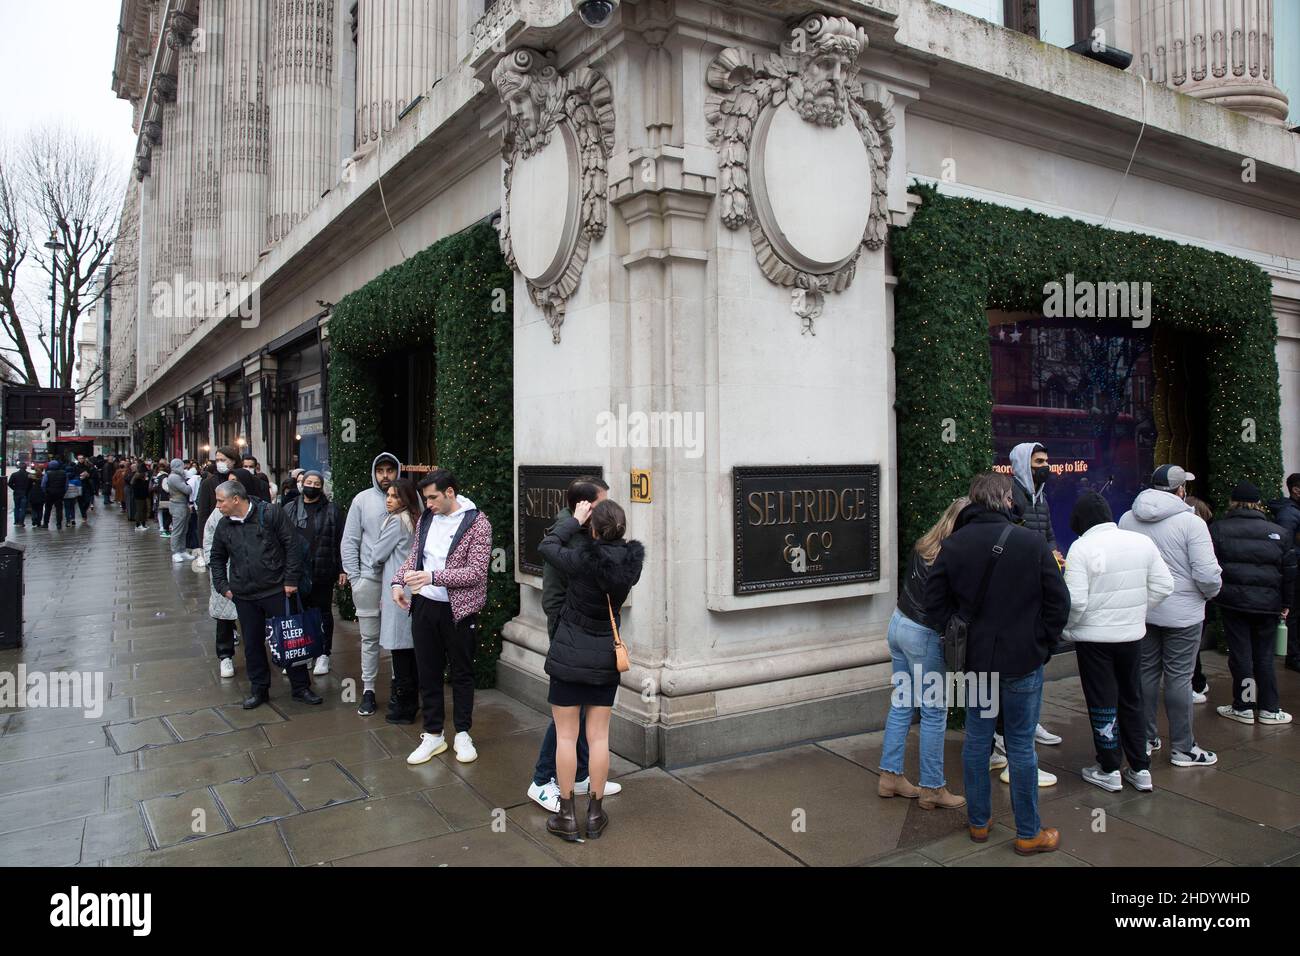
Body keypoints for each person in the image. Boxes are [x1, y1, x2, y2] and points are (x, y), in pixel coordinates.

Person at [925, 472, 1070, 856]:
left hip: (976, 663)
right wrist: (1043, 642)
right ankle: (1028, 832)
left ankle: (978, 822)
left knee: (976, 740)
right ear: (1007, 501)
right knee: (1021, 745)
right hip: (1023, 659)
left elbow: (934, 605)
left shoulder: (953, 545)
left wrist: (955, 632)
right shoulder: (1031, 543)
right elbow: (1060, 603)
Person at [537, 498, 644, 841]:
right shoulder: (630, 564)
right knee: (599, 737)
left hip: (569, 654)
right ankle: (595, 815)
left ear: (594, 529)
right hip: (604, 658)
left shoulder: (581, 559)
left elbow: (547, 545)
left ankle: (567, 816)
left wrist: (574, 519)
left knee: (566, 736)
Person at [1062, 492, 1174, 793]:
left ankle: (1109, 767)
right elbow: (1165, 585)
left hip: (1093, 639)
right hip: (1131, 636)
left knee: (1102, 702)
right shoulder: (1141, 542)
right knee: (1131, 698)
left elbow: (1076, 603)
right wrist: (1136, 611)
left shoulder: (1081, 548)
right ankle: (1140, 767)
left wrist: (1068, 630)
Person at [528, 477, 626, 812]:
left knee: (582, 713)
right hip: (566, 629)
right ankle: (542, 781)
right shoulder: (568, 533)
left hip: (591, 635)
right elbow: (556, 576)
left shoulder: (589, 535)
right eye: (601, 505)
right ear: (581, 506)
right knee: (566, 720)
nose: (606, 513)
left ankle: (581, 775)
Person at [1118, 464, 1222, 767]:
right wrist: (1209, 593)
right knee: (1179, 678)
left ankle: (1147, 738)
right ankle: (1183, 747)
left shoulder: (1127, 518)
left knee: (1146, 673)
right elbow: (1206, 574)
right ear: (1180, 491)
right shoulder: (1191, 524)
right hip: (1183, 613)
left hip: (1144, 608)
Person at [392, 469, 493, 766]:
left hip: (458, 610)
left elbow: (476, 572)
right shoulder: (427, 518)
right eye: (426, 498)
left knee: (461, 672)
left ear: (450, 492)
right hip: (424, 605)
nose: (428, 503)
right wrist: (399, 582)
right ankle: (433, 734)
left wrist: (433, 577)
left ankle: (462, 733)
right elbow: (414, 557)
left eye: (433, 497)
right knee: (428, 671)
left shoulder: (478, 523)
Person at [877, 496, 969, 810]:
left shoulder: (925, 545)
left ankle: (890, 776)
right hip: (924, 635)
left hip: (898, 624)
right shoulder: (953, 556)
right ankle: (932, 787)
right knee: (934, 712)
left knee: (903, 701)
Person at [208, 478, 321, 708]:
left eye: (221, 501)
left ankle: (301, 687)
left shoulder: (270, 513)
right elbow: (217, 558)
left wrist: (290, 580)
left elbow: (292, 546)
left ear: (236, 499)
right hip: (244, 595)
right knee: (252, 644)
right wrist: (224, 587)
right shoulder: (223, 524)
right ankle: (259, 689)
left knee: (290, 639)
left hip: (277, 590)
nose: (218, 506)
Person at [1210, 481, 1296, 726]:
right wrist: (1286, 603)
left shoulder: (1218, 529)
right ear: (1258, 503)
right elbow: (1289, 573)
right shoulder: (1280, 532)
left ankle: (1245, 706)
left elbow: (1211, 567)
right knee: (1264, 656)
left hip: (1233, 603)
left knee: (1242, 656)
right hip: (1268, 605)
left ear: (1232, 502)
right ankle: (1269, 708)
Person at [342, 453, 403, 720]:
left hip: (398, 582)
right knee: (369, 638)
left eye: (390, 470)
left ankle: (397, 687)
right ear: (374, 473)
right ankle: (368, 690)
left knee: (396, 637)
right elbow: (350, 540)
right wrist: (355, 578)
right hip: (368, 579)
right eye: (380, 470)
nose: (385, 475)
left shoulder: (407, 500)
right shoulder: (362, 500)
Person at [283, 470, 344, 676]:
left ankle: (323, 653)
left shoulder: (332, 511)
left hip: (323, 569)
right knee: (300, 613)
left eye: (316, 483)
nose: (311, 485)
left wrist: (342, 568)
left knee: (323, 613)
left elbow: (341, 541)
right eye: (308, 481)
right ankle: (304, 652)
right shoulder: (289, 508)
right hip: (297, 571)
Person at [374, 478, 420, 721]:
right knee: (410, 649)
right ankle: (410, 700)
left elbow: (377, 554)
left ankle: (403, 706)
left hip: (398, 589)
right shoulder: (416, 519)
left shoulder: (396, 521)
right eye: (388, 495)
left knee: (400, 650)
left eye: (395, 496)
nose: (389, 500)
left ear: (406, 499)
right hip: (413, 588)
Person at [203, 500, 240, 678]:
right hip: (225, 571)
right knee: (224, 617)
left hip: (252, 573)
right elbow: (209, 541)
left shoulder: (256, 511)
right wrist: (214, 566)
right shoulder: (218, 514)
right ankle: (225, 656)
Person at [1267, 474, 1300, 673]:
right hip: (1295, 570)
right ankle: (1294, 656)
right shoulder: (1289, 513)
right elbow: (1285, 544)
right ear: (1295, 489)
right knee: (1295, 613)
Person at [1185, 495, 1215, 703]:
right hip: (1193, 601)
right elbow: (1208, 575)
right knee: (1189, 650)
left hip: (1180, 601)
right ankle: (1194, 684)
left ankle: (1197, 681)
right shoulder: (1198, 535)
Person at [197, 446, 239, 530]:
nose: (219, 463)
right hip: (217, 529)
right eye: (217, 460)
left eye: (223, 460)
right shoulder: (208, 483)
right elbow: (203, 514)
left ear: (233, 461)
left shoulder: (241, 479)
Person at [163, 459, 191, 563]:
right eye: (182, 466)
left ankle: (182, 550)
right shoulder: (174, 477)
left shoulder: (177, 476)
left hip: (182, 504)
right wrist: (190, 484)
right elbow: (187, 489)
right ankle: (175, 552)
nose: (183, 467)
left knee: (184, 529)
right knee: (177, 530)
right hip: (177, 505)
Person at [40, 458, 68, 529]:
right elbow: (66, 485)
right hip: (60, 493)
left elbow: (43, 484)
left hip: (49, 493)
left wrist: (45, 491)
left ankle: (46, 523)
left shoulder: (48, 474)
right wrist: (63, 492)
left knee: (48, 509)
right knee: (59, 509)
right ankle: (59, 524)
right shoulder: (64, 473)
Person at [130, 463, 151, 530]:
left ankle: (143, 524)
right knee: (139, 510)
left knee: (144, 510)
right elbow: (135, 486)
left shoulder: (142, 478)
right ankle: (138, 525)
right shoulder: (137, 478)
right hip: (139, 496)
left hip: (143, 495)